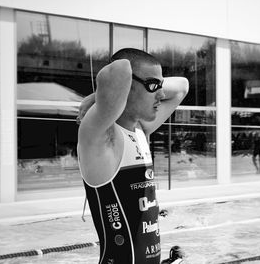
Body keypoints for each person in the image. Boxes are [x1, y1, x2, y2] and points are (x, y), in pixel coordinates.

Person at [77, 48, 189, 264]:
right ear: (127, 86)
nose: (162, 94)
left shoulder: (140, 130)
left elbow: (182, 87)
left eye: (160, 85)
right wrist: (98, 97)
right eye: (153, 86)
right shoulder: (102, 137)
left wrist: (149, 82)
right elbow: (121, 69)